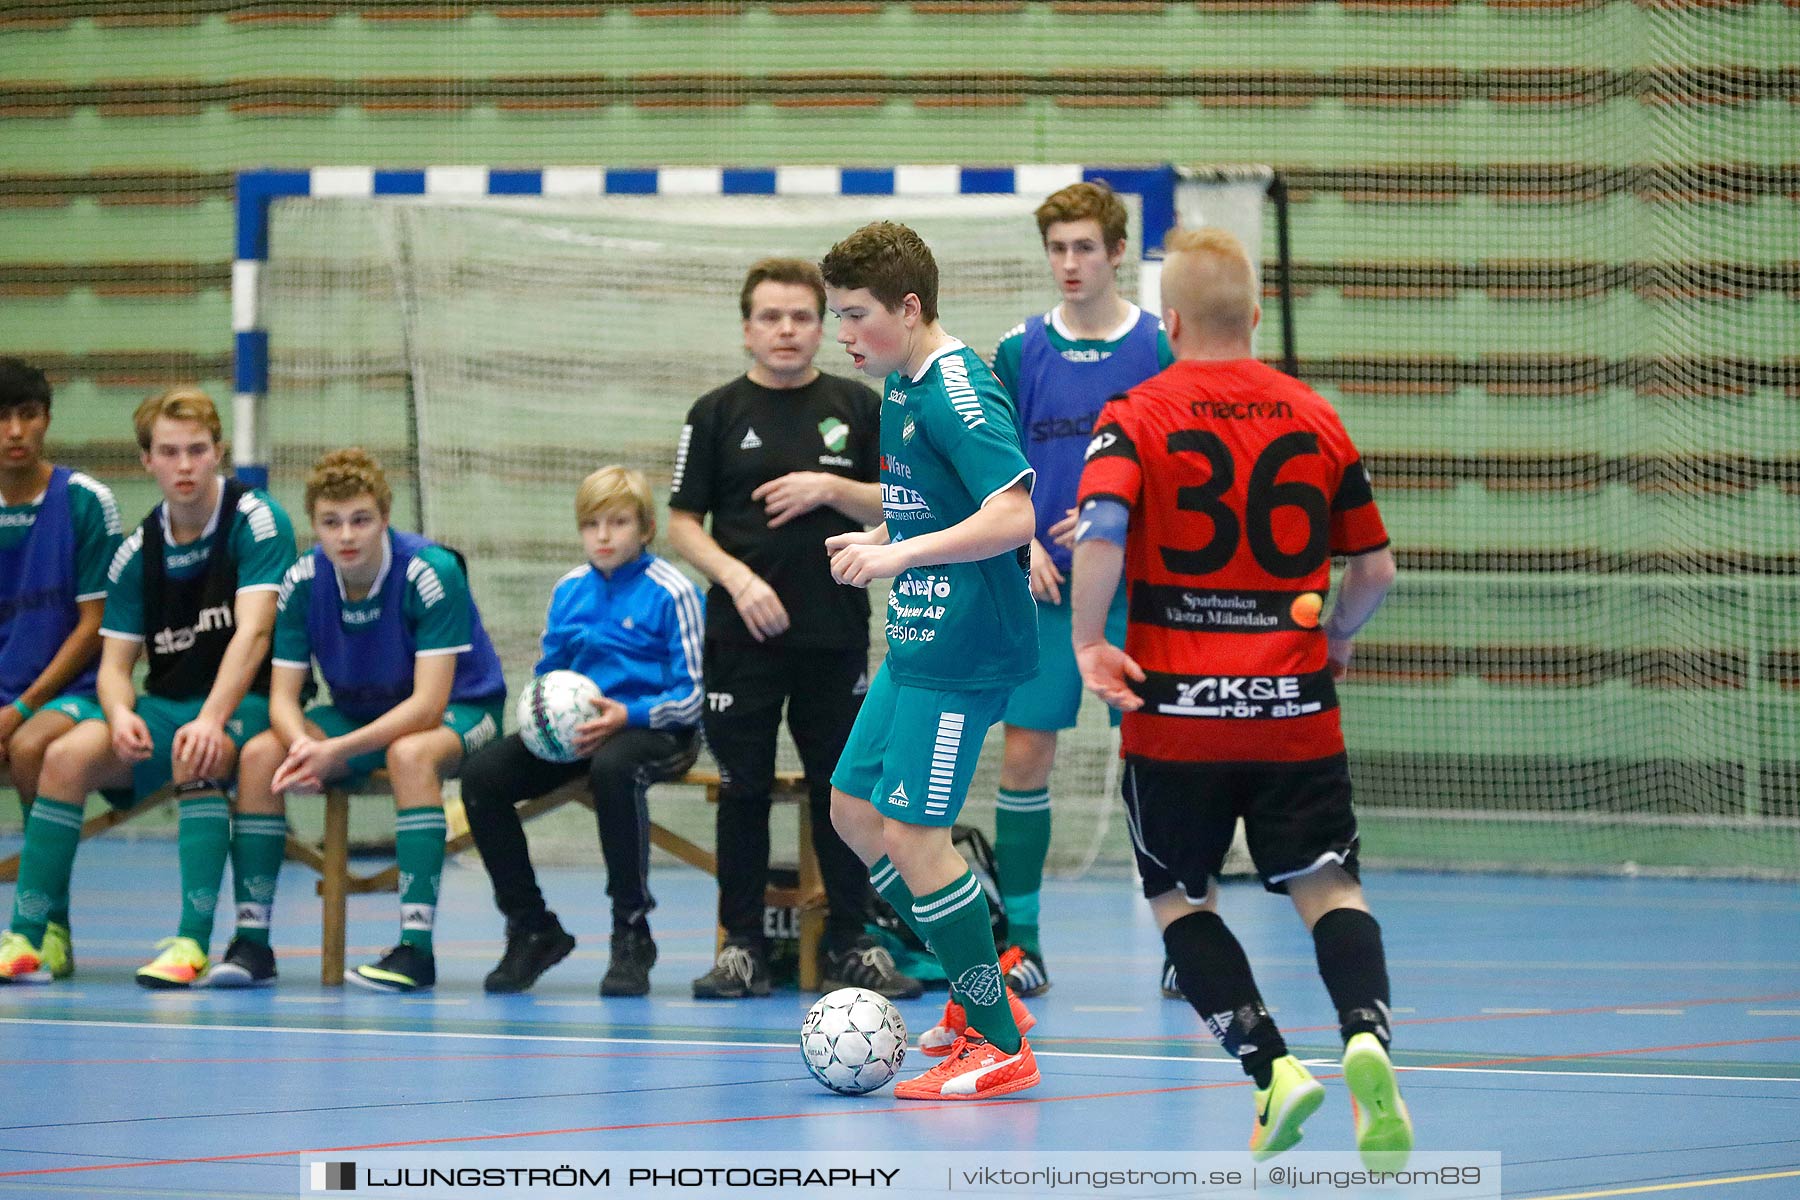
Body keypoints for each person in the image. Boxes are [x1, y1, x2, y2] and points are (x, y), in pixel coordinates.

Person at [1070, 227, 1411, 1166]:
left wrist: (1090, 643)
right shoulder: (1315, 416)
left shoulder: (1135, 410)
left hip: (1175, 715)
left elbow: (1100, 531)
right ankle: (1366, 1038)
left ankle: (1272, 1071)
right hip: (1293, 708)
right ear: (1256, 314)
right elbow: (1375, 569)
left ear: (1169, 318)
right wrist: (1335, 637)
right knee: (1328, 884)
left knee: (1181, 900)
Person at [819, 221, 1042, 1100]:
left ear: (910, 309)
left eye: (857, 315)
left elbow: (1016, 515)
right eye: (839, 315)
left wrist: (898, 558)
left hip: (967, 648)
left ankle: (996, 1038)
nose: (845, 336)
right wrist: (885, 534)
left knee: (916, 834)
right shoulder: (900, 383)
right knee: (851, 811)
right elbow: (933, 507)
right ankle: (976, 988)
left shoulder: (956, 388)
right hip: (917, 639)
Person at [667, 258, 920, 1001]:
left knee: (842, 793)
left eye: (803, 316)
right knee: (741, 789)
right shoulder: (714, 412)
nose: (786, 330)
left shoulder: (860, 405)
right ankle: (741, 948)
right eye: (771, 317)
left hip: (833, 634)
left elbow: (899, 503)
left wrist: (831, 487)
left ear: (827, 326)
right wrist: (738, 579)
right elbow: (682, 522)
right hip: (740, 641)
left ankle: (850, 942)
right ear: (748, 329)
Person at [1, 387, 296, 988]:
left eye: (196, 450)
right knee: (62, 757)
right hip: (169, 706)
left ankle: (190, 943)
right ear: (147, 461)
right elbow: (114, 666)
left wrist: (213, 717)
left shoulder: (256, 520)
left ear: (219, 452)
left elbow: (256, 632)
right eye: (169, 452)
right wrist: (119, 713)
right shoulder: (137, 550)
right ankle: (29, 938)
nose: (184, 465)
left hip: (253, 703)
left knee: (197, 749)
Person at [986, 181, 1174, 997]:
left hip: (1137, 592)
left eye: (1084, 248)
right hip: (1043, 589)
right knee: (1025, 753)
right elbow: (989, 464)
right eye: (1057, 248)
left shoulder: (1160, 346)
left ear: (1117, 251)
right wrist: (1024, 534)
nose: (1069, 263)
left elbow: (1186, 469)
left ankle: (1184, 930)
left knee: (1158, 760)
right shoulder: (1019, 350)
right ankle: (1021, 942)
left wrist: (1118, 530)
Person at [224, 449, 507, 991]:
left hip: (463, 708)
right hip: (358, 716)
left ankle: (415, 949)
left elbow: (427, 706)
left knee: (410, 754)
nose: (346, 535)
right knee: (261, 753)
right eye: (330, 523)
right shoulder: (303, 582)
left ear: (384, 517)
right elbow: (284, 698)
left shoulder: (430, 571)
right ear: (314, 526)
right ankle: (252, 942)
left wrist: (337, 751)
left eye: (361, 519)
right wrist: (304, 745)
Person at [461, 466, 703, 998]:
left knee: (613, 768)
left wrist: (628, 715)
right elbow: (548, 675)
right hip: (579, 735)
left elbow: (693, 698)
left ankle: (632, 931)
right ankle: (532, 927)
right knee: (482, 776)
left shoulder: (674, 591)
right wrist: (547, 715)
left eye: (618, 522)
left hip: (656, 728)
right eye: (591, 524)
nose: (603, 535)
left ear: (644, 529)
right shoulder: (570, 590)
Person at [0, 359, 122, 980]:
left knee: (29, 750)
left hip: (75, 691)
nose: (14, 431)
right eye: (2, 418)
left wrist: (20, 706)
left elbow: (94, 625)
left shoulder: (84, 502)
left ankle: (49, 927)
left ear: (47, 420)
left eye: (28, 415)